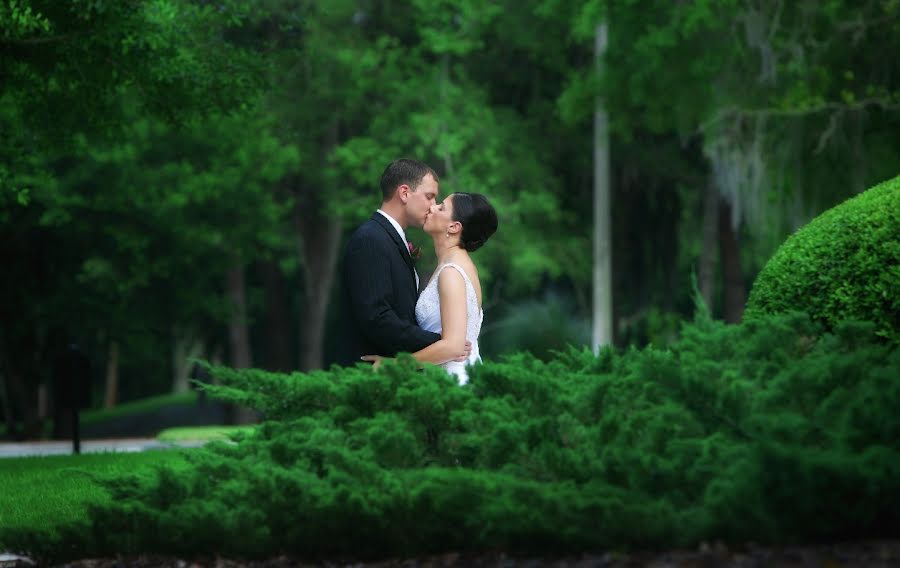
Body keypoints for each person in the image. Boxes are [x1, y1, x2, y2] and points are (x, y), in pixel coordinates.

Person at [335, 159, 471, 367]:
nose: (433, 206)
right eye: (429, 196)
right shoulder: (370, 239)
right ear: (405, 193)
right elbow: (377, 316)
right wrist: (441, 344)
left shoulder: (390, 239)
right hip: (370, 374)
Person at [363, 192, 498, 384]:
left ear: (454, 227)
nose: (432, 207)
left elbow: (454, 346)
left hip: (452, 381)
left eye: (441, 207)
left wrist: (394, 364)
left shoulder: (452, 272)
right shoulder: (454, 265)